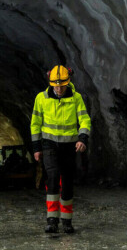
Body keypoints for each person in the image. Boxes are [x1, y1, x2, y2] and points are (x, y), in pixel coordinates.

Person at [30, 65, 92, 234]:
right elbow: (35, 123)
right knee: (52, 178)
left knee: (67, 182)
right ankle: (52, 220)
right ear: (50, 83)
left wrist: (82, 139)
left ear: (68, 82)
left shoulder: (76, 98)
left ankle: (66, 220)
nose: (59, 89)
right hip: (49, 144)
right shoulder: (41, 98)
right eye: (56, 85)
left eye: (62, 85)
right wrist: (36, 148)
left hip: (69, 146)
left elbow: (84, 120)